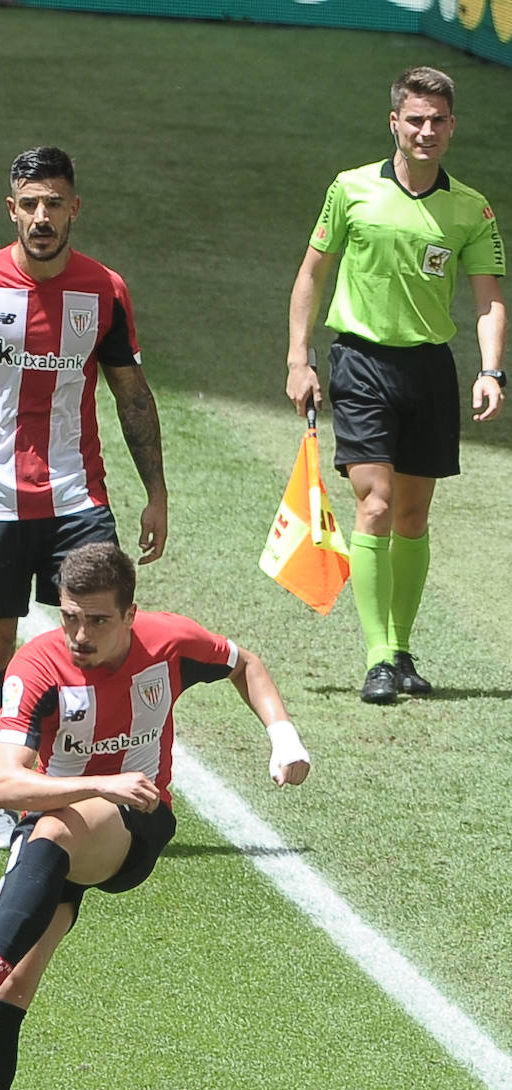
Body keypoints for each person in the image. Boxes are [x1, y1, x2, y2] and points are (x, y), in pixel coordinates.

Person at [0, 542, 310, 1090]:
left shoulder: (170, 642)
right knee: (14, 989)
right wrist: (100, 779)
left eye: (96, 620)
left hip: (135, 830)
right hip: (58, 837)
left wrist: (284, 736)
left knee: (57, 827)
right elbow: (4, 783)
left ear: (130, 615)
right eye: (69, 618)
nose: (80, 636)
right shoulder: (37, 667)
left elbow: (245, 664)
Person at [0, 145, 169, 848]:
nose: (42, 217)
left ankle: (100, 789)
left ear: (74, 207)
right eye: (30, 204)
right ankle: (3, 791)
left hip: (79, 497)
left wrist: (156, 493)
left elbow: (132, 395)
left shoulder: (105, 289)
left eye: (55, 203)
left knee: (98, 639)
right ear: (11, 208)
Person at [287, 65, 506, 705]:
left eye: (438, 121)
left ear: (452, 127)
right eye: (415, 119)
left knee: (412, 515)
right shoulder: (350, 190)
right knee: (375, 503)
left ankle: (402, 649)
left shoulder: (471, 208)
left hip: (429, 369)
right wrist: (300, 358)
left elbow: (488, 297)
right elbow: (311, 276)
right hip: (360, 362)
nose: (426, 131)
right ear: (394, 122)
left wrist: (491, 369)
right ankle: (378, 658)